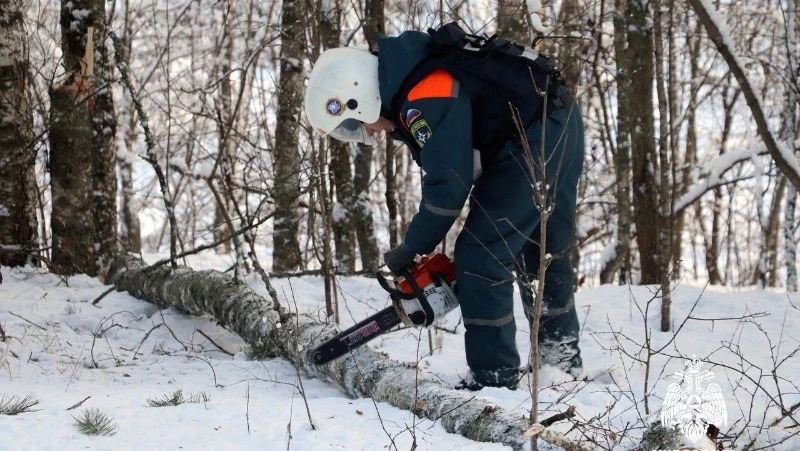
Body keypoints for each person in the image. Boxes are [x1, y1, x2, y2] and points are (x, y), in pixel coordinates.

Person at [303, 23, 585, 390]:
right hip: (557, 123)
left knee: (481, 256)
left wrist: (412, 247)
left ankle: (493, 378)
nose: (368, 132)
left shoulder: (425, 92)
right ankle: (559, 361)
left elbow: (449, 184)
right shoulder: (416, 78)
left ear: (360, 95)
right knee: (541, 253)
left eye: (357, 124)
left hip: (534, 140)